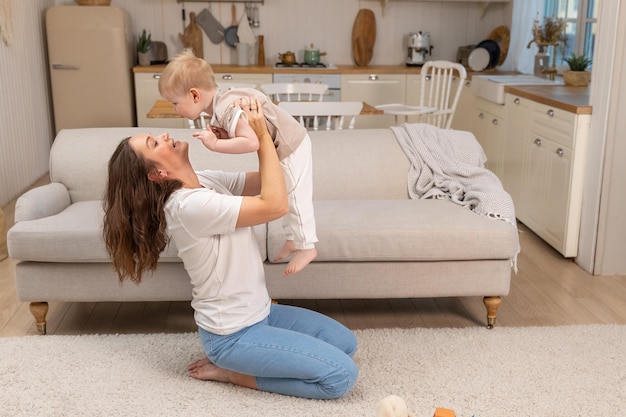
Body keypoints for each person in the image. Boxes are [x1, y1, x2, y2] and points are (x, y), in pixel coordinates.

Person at [102, 98, 358, 399]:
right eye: (154, 143)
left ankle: (253, 358)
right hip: (233, 335)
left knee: (345, 344)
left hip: (262, 314)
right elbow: (275, 204)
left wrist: (248, 137)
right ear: (156, 174)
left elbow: (274, 180)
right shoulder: (188, 207)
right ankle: (233, 373)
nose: (165, 136)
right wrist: (261, 136)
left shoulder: (205, 182)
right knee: (340, 377)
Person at [157, 49, 317, 276]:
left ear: (194, 95)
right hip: (287, 144)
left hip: (291, 145)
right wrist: (227, 136)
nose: (175, 109)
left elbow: (251, 142)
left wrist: (215, 145)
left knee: (294, 193)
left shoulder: (225, 108)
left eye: (174, 103)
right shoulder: (225, 103)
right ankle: (293, 238)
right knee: (289, 191)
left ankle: (307, 245)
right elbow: (249, 133)